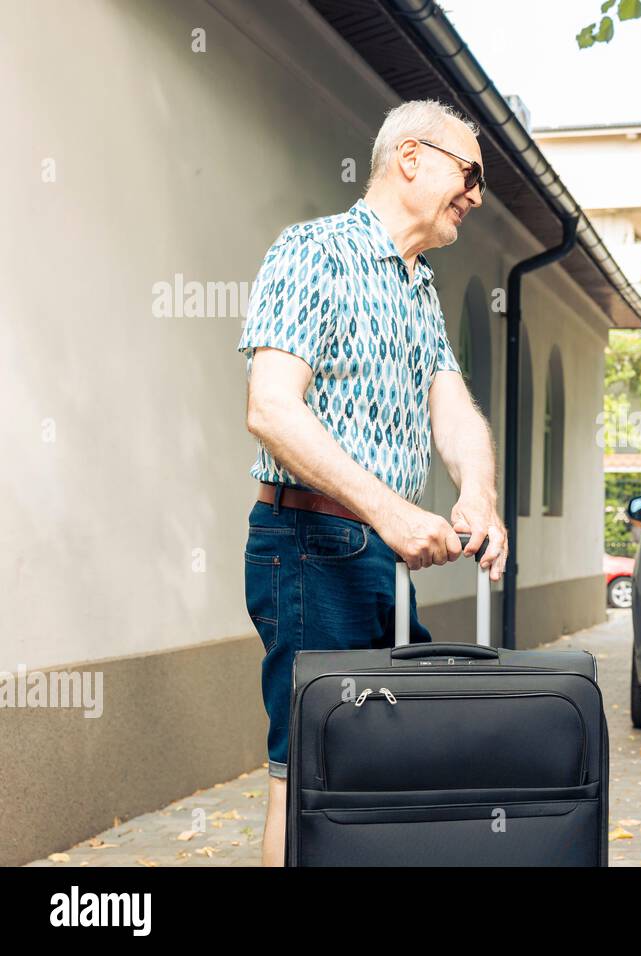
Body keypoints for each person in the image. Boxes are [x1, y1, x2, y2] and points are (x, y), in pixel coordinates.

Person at [238, 100, 507, 866]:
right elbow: (270, 410)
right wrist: (390, 510)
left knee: (381, 769)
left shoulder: (419, 287)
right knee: (308, 775)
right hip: (308, 544)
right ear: (412, 158)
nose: (477, 195)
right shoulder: (313, 252)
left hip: (378, 555)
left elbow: (452, 407)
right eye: (471, 173)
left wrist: (477, 493)